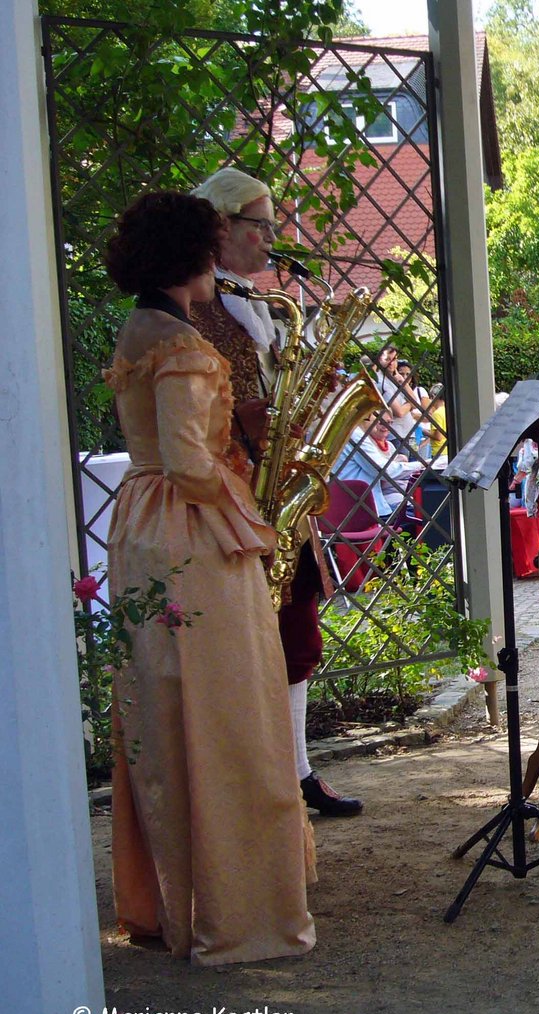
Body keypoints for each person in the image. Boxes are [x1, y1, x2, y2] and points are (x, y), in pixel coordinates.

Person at [103, 190, 316, 964]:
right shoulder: (188, 346)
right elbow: (194, 465)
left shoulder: (140, 329)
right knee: (226, 709)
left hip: (142, 524)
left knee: (163, 708)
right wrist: (254, 491)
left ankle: (170, 897)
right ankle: (238, 909)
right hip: (192, 532)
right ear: (191, 255)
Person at [189, 166, 361, 816]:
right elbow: (222, 411)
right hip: (235, 496)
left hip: (276, 488)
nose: (272, 238)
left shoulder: (250, 302)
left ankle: (297, 770)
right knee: (249, 648)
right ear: (222, 227)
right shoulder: (196, 309)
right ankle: (263, 780)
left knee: (298, 637)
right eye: (261, 225)